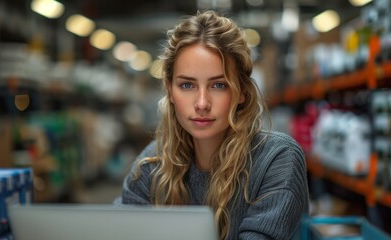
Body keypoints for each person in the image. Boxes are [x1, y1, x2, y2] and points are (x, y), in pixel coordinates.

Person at [116, 10, 309, 240]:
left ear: (242, 93)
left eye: (218, 85)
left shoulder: (275, 160)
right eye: (187, 86)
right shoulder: (152, 164)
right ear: (169, 90)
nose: (202, 104)